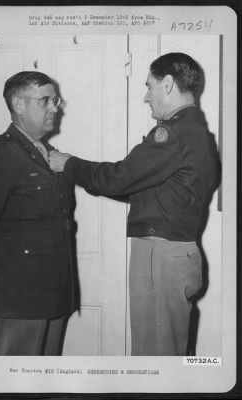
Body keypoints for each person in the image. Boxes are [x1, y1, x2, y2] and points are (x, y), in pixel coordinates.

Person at [48, 52, 220, 356]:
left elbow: (119, 177)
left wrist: (69, 164)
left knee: (155, 357)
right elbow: (142, 187)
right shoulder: (200, 135)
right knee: (168, 353)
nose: (146, 96)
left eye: (149, 86)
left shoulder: (172, 134)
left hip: (160, 255)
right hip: (177, 253)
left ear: (167, 84)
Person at [0, 71, 79, 356]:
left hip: (53, 292)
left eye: (55, 100)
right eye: (45, 100)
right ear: (18, 104)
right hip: (17, 296)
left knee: (44, 382)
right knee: (13, 384)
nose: (54, 108)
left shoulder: (47, 154)